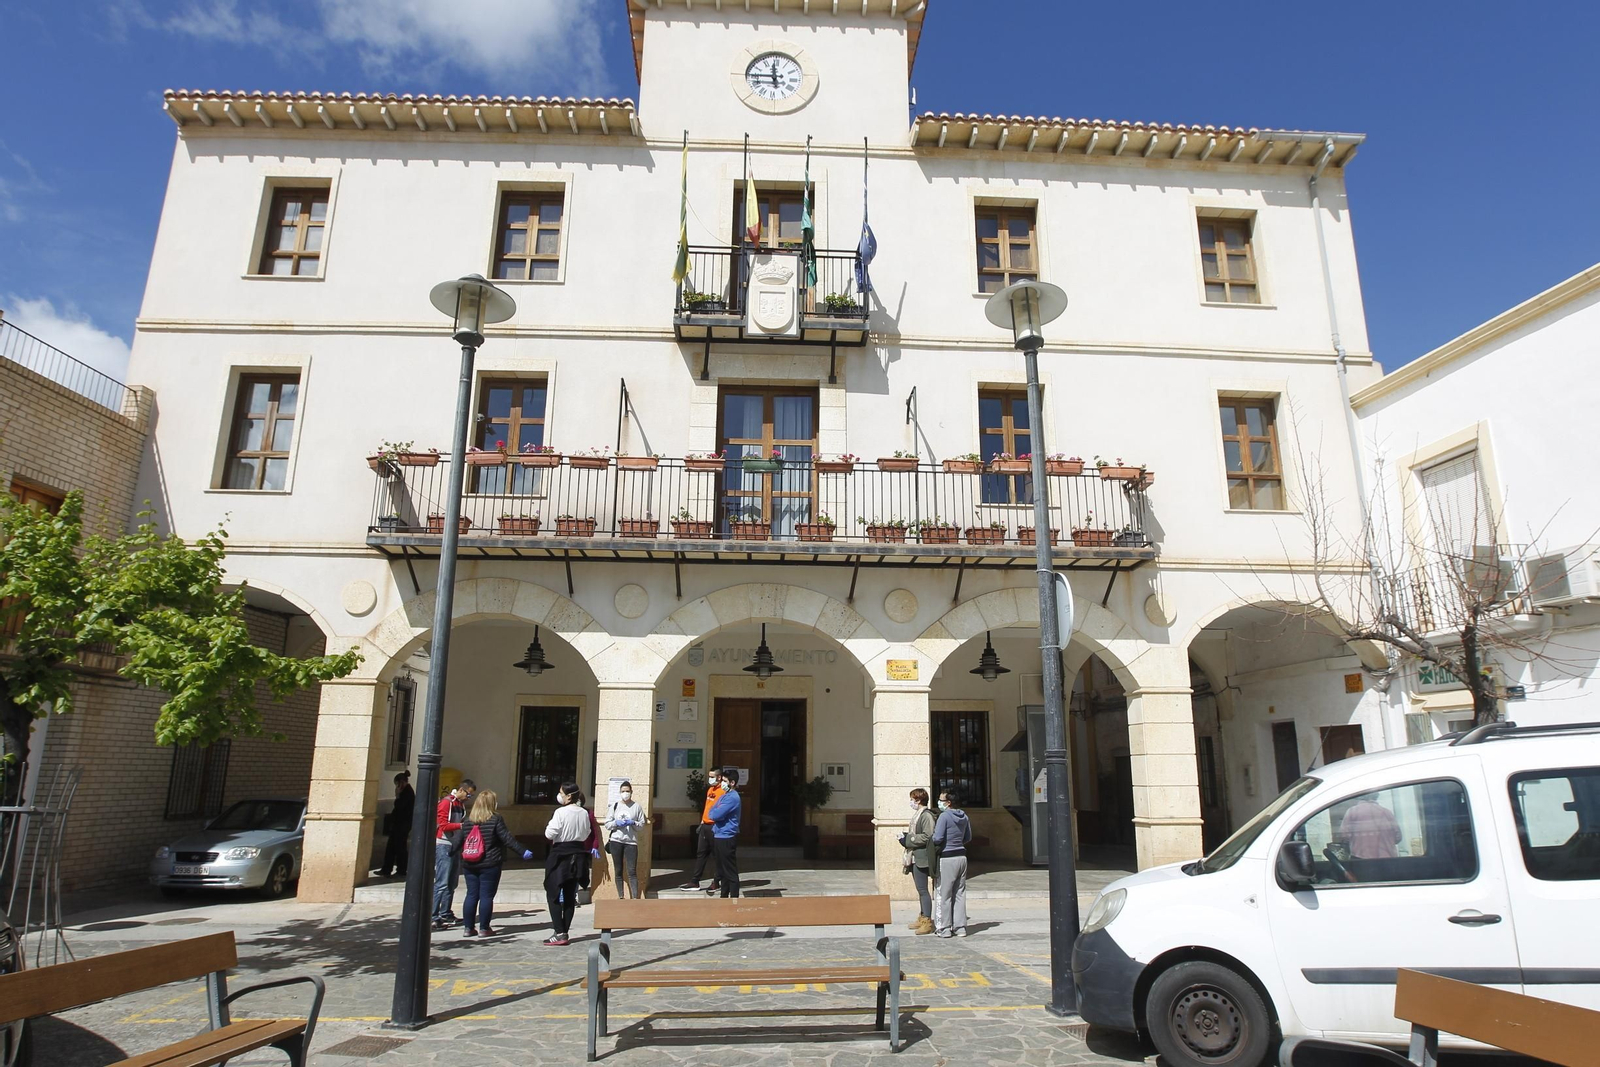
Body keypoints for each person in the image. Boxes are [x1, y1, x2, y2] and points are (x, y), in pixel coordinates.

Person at [449, 788, 531, 937]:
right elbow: (507, 838)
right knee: (486, 896)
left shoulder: (468, 821)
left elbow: (457, 841)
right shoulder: (495, 819)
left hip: (470, 863)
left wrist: (450, 852)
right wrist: (522, 851)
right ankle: (484, 928)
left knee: (472, 895)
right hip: (490, 863)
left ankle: (468, 928)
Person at [543, 782, 591, 946]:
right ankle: (564, 931)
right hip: (578, 854)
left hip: (561, 854)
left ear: (569, 796)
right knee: (570, 895)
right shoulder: (584, 813)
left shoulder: (560, 812)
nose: (559, 796)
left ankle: (559, 931)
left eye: (561, 793)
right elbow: (586, 834)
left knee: (553, 893)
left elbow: (550, 833)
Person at [432, 779, 475, 929]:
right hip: (444, 844)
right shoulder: (447, 802)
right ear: (461, 790)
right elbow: (443, 825)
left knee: (452, 882)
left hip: (455, 845)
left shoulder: (460, 805)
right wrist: (462, 826)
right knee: (442, 882)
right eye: (468, 795)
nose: (469, 798)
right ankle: (433, 914)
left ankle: (446, 912)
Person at [931, 788, 972, 938]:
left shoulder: (944, 817)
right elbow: (968, 837)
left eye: (941, 800)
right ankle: (960, 927)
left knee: (944, 893)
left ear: (948, 803)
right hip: (961, 856)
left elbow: (937, 838)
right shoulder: (964, 816)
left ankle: (944, 928)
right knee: (960, 893)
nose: (939, 802)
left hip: (947, 858)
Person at [677, 768, 725, 893]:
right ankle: (695, 881)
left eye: (712, 776)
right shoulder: (710, 790)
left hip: (715, 826)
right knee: (701, 854)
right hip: (705, 826)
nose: (710, 779)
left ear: (719, 777)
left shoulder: (723, 792)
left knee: (718, 856)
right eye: (709, 776)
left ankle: (716, 881)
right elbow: (707, 807)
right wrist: (703, 821)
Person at [899, 788, 937, 935]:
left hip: (922, 857)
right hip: (915, 856)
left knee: (923, 890)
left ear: (918, 800)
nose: (911, 802)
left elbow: (928, 836)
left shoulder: (926, 815)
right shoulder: (918, 814)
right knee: (920, 890)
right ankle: (922, 916)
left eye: (912, 799)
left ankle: (927, 921)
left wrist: (909, 839)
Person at [604, 780, 646, 898]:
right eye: (623, 791)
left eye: (627, 791)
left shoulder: (636, 807)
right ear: (619, 792)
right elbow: (607, 824)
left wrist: (633, 823)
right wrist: (616, 823)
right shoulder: (615, 806)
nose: (625, 793)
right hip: (616, 841)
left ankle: (634, 896)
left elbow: (641, 825)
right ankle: (621, 896)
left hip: (631, 842)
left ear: (631, 792)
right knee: (618, 870)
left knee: (632, 870)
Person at [707, 766, 742, 898]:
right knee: (722, 870)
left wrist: (714, 812)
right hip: (719, 834)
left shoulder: (732, 797)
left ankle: (734, 898)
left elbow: (715, 814)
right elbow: (712, 810)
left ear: (732, 783)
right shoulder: (724, 796)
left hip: (726, 836)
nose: (722, 783)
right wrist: (714, 811)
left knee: (730, 870)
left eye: (725, 781)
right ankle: (724, 896)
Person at [379, 771, 414, 878]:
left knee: (400, 847)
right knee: (391, 847)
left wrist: (397, 795)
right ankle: (386, 869)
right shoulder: (406, 791)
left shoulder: (407, 792)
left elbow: (400, 806)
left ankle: (401, 869)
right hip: (398, 823)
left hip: (403, 824)